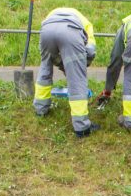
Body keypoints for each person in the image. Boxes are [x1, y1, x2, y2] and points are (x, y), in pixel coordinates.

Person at [33, 7, 100, 137]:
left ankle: (40, 109)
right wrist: (78, 67)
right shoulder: (87, 25)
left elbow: (55, 55)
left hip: (46, 30)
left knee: (45, 68)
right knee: (77, 79)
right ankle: (81, 127)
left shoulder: (54, 12)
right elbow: (90, 52)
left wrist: (62, 64)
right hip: (71, 31)